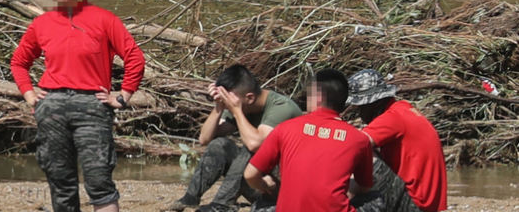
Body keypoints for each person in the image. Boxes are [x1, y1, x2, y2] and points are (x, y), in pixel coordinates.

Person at [10, 0, 145, 212]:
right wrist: (28, 94)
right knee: (61, 182)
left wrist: (123, 95)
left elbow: (134, 57)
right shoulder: (41, 23)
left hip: (92, 107)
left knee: (99, 181)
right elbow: (18, 63)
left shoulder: (104, 19)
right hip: (51, 107)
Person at [166, 64, 302, 212]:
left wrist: (236, 110)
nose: (229, 105)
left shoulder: (281, 107)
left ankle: (221, 205)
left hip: (284, 187)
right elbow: (204, 139)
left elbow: (255, 145)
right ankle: (190, 198)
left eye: (229, 100)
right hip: (259, 182)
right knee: (219, 145)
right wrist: (219, 106)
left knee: (249, 151)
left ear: (249, 98)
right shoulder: (241, 104)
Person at [244, 69, 380, 212]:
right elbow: (364, 186)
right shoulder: (359, 139)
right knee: (375, 198)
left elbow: (250, 175)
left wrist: (267, 187)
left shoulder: (285, 128)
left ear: (318, 97)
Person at [346, 69, 447, 212]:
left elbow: (350, 145)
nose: (360, 113)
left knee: (363, 152)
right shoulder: (403, 109)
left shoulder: (392, 118)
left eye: (361, 107)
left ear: (373, 103)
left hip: (415, 204)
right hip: (427, 203)